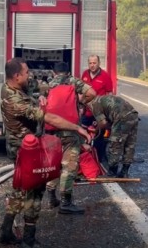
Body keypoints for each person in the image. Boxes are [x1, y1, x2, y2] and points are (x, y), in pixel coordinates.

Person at [0, 57, 92, 247]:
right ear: (17, 76)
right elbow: (49, 118)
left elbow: (36, 87)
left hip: (22, 149)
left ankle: (5, 233)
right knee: (34, 193)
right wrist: (76, 127)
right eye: (26, 73)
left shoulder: (11, 87)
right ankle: (29, 240)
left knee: (18, 190)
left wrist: (38, 95)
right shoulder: (15, 101)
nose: (29, 75)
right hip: (26, 152)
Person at [43, 62, 97, 214]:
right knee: (69, 166)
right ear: (68, 72)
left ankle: (52, 197)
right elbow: (92, 93)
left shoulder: (49, 84)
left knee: (54, 164)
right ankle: (66, 203)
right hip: (70, 131)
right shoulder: (73, 81)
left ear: (54, 73)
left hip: (51, 131)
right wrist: (80, 102)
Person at [88, 95, 139, 178]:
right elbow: (109, 121)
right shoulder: (102, 99)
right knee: (129, 144)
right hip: (133, 115)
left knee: (115, 144)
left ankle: (112, 172)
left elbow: (103, 123)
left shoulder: (94, 105)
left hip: (122, 117)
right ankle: (124, 172)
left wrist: (96, 129)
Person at [80, 55, 114, 163]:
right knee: (82, 133)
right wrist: (81, 107)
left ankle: (100, 158)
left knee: (100, 136)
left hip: (99, 113)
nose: (92, 65)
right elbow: (81, 92)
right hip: (87, 112)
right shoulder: (85, 74)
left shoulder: (105, 76)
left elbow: (110, 94)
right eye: (90, 63)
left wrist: (108, 112)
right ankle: (84, 157)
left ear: (99, 63)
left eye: (94, 63)